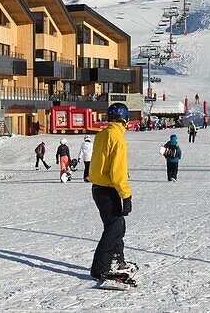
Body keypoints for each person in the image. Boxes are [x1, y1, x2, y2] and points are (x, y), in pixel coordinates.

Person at [88, 102, 135, 286]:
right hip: (109, 188)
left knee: (117, 225)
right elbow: (118, 172)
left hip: (99, 188)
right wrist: (126, 196)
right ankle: (100, 268)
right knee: (114, 227)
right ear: (125, 120)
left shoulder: (102, 135)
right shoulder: (118, 139)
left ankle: (117, 259)